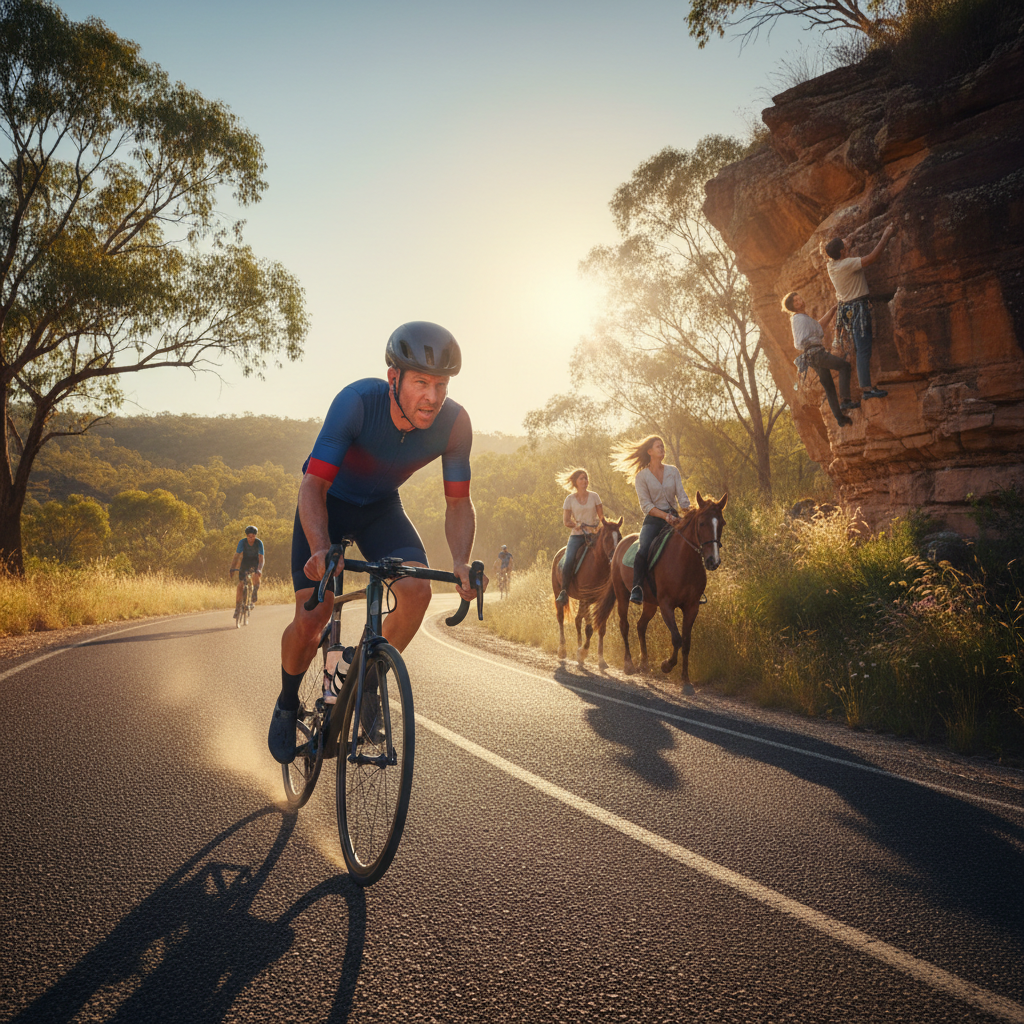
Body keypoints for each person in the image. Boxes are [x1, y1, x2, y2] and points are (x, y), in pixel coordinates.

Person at [268, 321, 484, 765]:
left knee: (417, 592)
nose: (432, 395)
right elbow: (312, 487)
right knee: (314, 616)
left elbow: (459, 503)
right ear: (394, 379)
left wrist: (461, 561)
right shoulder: (357, 403)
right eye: (421, 382)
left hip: (381, 509)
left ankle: (362, 681)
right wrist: (320, 548)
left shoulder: (455, 424)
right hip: (328, 503)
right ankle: (288, 702)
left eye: (440, 384)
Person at [820, 224, 895, 400]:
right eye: (845, 245)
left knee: (860, 348)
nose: (847, 243)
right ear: (843, 252)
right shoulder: (847, 264)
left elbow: (846, 243)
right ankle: (867, 389)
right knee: (863, 349)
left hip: (847, 310)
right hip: (858, 309)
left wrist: (852, 235)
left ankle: (865, 386)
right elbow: (872, 258)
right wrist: (885, 235)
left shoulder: (831, 265)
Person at [611, 436, 689, 605]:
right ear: (650, 451)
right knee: (643, 549)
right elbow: (646, 505)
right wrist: (664, 516)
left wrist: (689, 512)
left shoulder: (673, 471)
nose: (662, 449)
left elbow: (682, 497)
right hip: (654, 520)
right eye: (658, 446)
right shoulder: (642, 477)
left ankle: (692, 587)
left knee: (691, 544)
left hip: (674, 517)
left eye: (663, 446)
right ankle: (637, 588)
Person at [782, 292, 855, 427]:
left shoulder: (803, 318)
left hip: (812, 356)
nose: (799, 302)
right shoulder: (798, 318)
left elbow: (819, 326)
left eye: (799, 299)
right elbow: (802, 340)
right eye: (795, 301)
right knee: (844, 366)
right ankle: (845, 400)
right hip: (816, 354)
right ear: (792, 306)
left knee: (829, 386)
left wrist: (833, 310)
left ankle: (840, 418)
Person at [557, 469, 603, 606]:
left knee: (609, 553)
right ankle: (564, 591)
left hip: (593, 535)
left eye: (586, 478)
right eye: (582, 479)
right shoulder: (569, 500)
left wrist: (597, 526)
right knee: (569, 558)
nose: (585, 481)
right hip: (577, 536)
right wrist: (576, 525)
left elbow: (602, 518)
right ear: (576, 482)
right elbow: (566, 521)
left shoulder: (595, 496)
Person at [229, 525, 264, 620]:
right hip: (245, 563)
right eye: (249, 536)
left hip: (255, 563)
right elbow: (236, 556)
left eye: (253, 536)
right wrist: (232, 568)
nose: (251, 538)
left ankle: (254, 592)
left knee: (256, 576)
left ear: (255, 536)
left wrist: (259, 569)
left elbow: (261, 559)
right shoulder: (242, 542)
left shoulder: (259, 543)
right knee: (240, 585)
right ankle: (237, 607)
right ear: (246, 536)